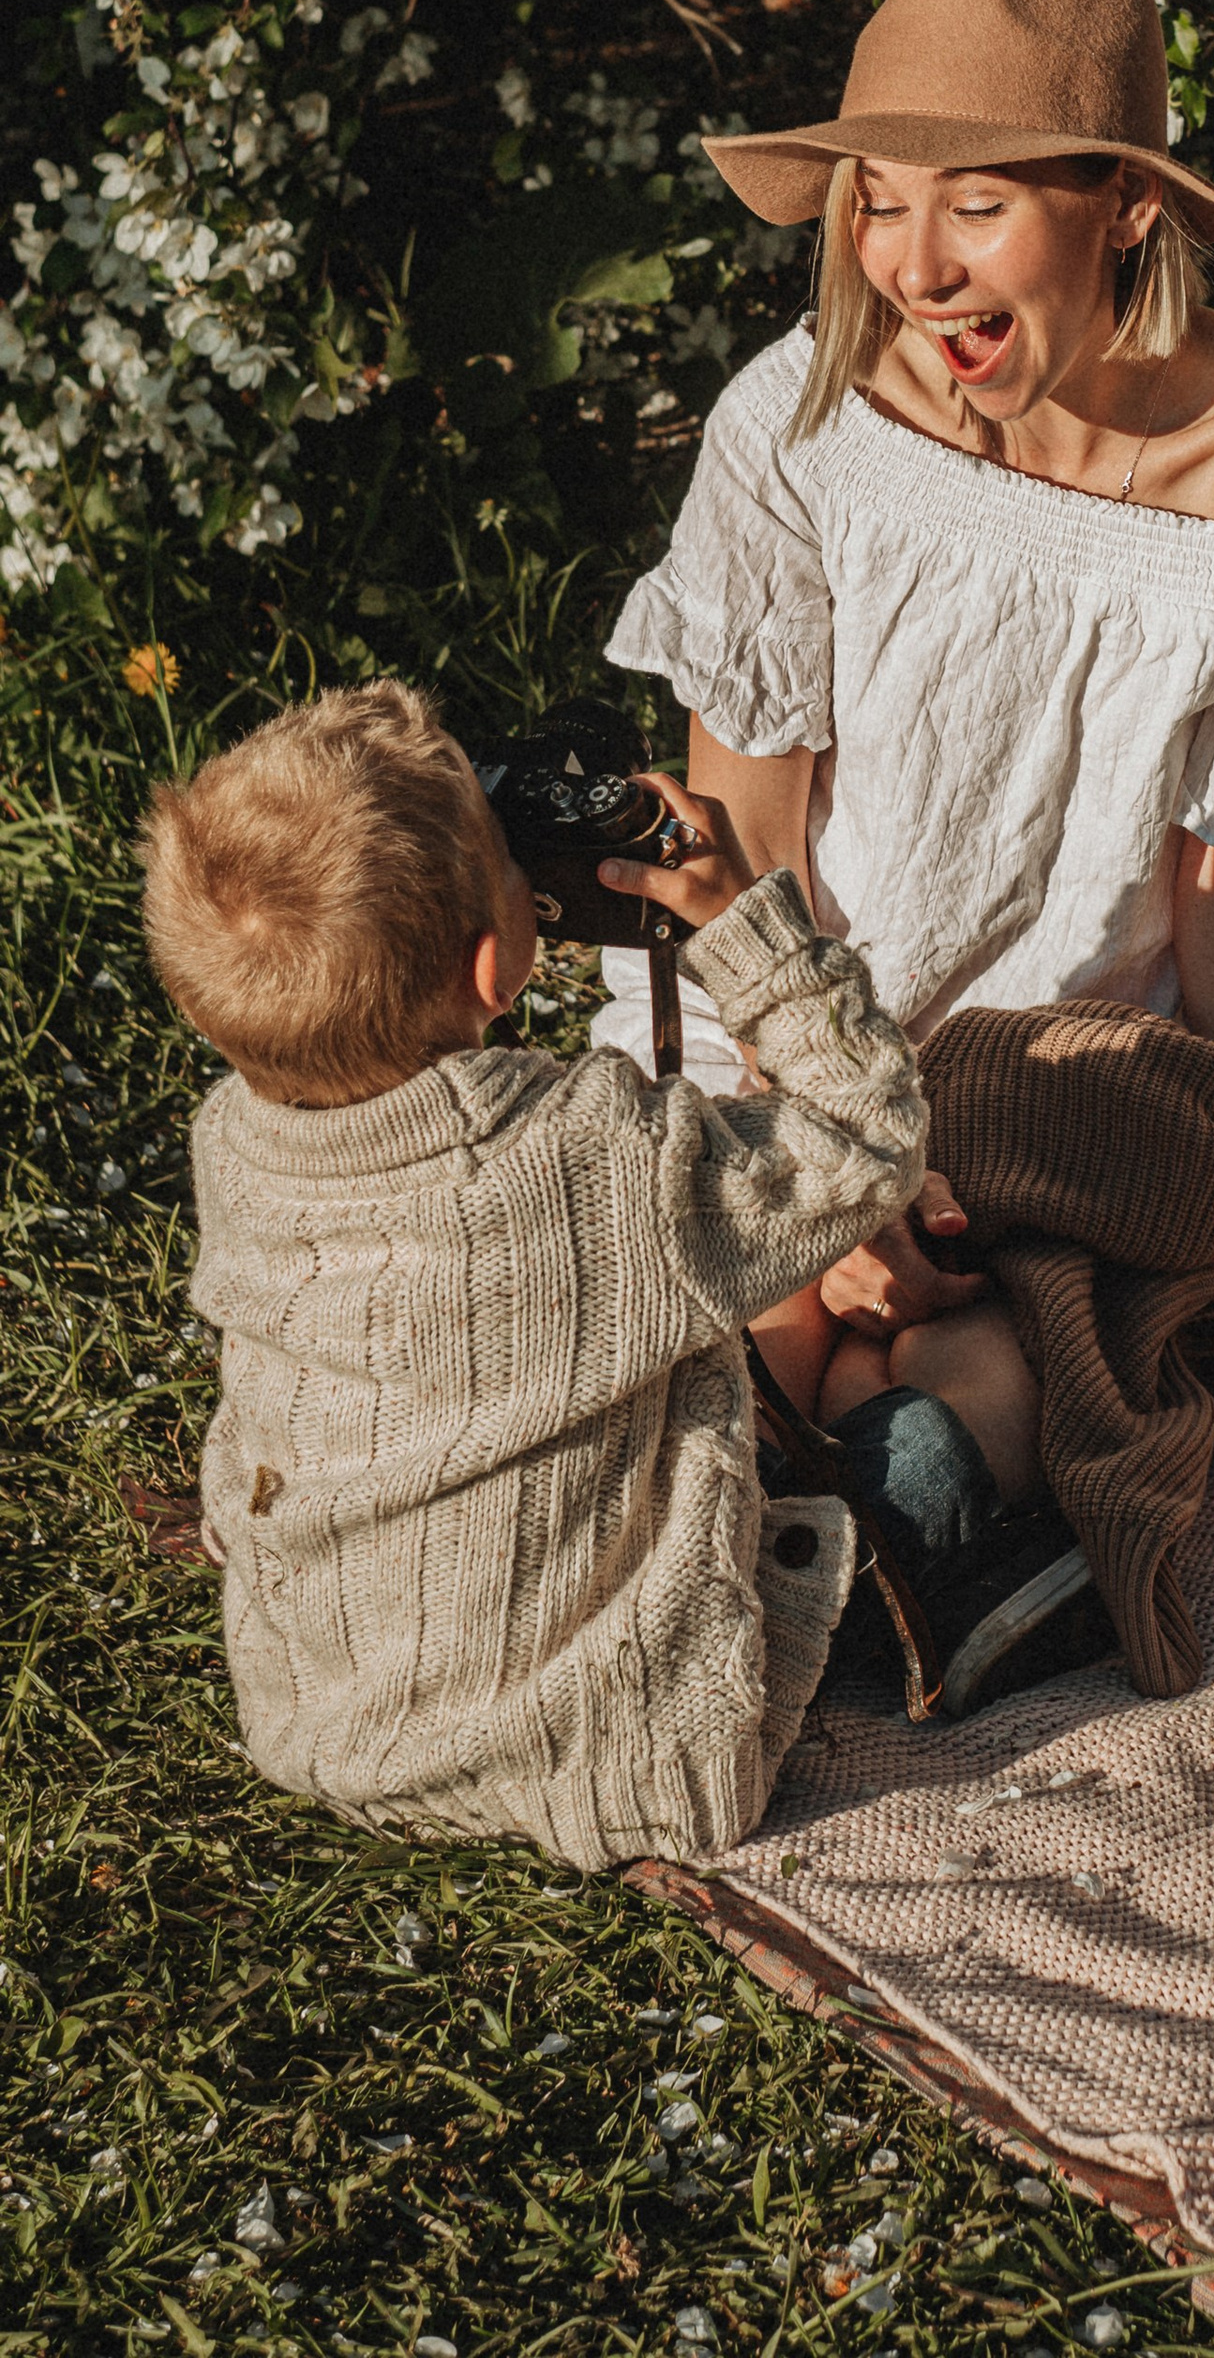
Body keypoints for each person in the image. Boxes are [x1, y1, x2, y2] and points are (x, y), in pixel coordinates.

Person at [601, 0, 1214, 1492]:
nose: (915, 265)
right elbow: (742, 862)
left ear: (1129, 202)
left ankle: (910, 1484)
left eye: (980, 202)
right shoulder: (804, 423)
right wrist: (834, 1183)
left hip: (1069, 1109)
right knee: (732, 1391)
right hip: (785, 1060)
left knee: (959, 1436)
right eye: (876, 202)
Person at [151, 678, 1040, 1869]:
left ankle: (833, 1383)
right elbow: (869, 1132)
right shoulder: (593, 1160)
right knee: (984, 1380)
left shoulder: (236, 1140)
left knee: (757, 1300)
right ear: (493, 969)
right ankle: (911, 1490)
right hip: (614, 1741)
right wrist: (745, 928)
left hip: (340, 1716)